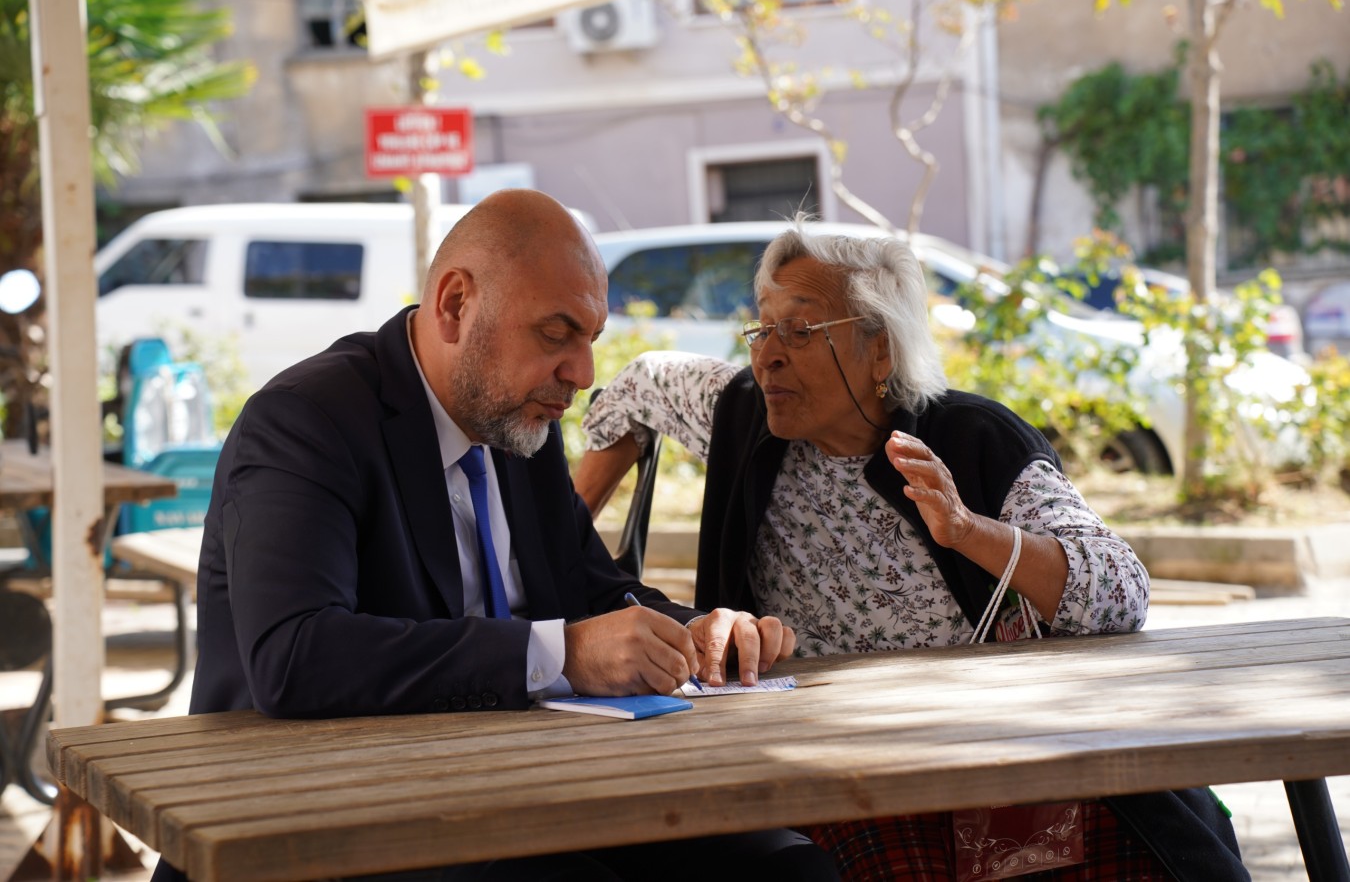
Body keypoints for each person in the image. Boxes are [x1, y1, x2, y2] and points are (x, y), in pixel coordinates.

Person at [152, 190, 837, 882]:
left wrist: (695, 631)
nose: (583, 375)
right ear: (455, 305)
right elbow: (295, 657)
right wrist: (560, 653)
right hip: (318, 819)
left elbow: (592, 589)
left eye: (590, 341)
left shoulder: (519, 427)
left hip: (509, 790)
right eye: (554, 333)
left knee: (788, 870)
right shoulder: (305, 421)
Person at [575, 220, 1247, 881]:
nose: (767, 354)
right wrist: (571, 546)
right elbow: (640, 386)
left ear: (881, 353)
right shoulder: (744, 412)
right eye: (763, 326)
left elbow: (1122, 591)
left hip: (1006, 750)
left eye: (802, 331)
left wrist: (968, 530)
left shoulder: (975, 440)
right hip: (839, 760)